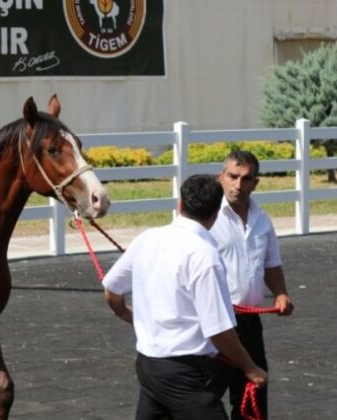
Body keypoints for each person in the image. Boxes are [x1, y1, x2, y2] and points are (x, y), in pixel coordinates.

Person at [102, 174, 267, 420]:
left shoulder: (147, 238)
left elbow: (112, 290)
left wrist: (126, 314)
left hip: (148, 366)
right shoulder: (205, 255)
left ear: (180, 205)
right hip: (184, 373)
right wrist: (250, 367)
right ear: (215, 215)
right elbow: (219, 331)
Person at [210, 150, 294, 420]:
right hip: (215, 324)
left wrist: (280, 293)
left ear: (255, 183)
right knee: (204, 402)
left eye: (246, 179)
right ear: (220, 177)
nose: (238, 185)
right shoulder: (207, 219)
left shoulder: (263, 221)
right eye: (232, 176)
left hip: (249, 324)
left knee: (253, 400)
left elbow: (271, 264)